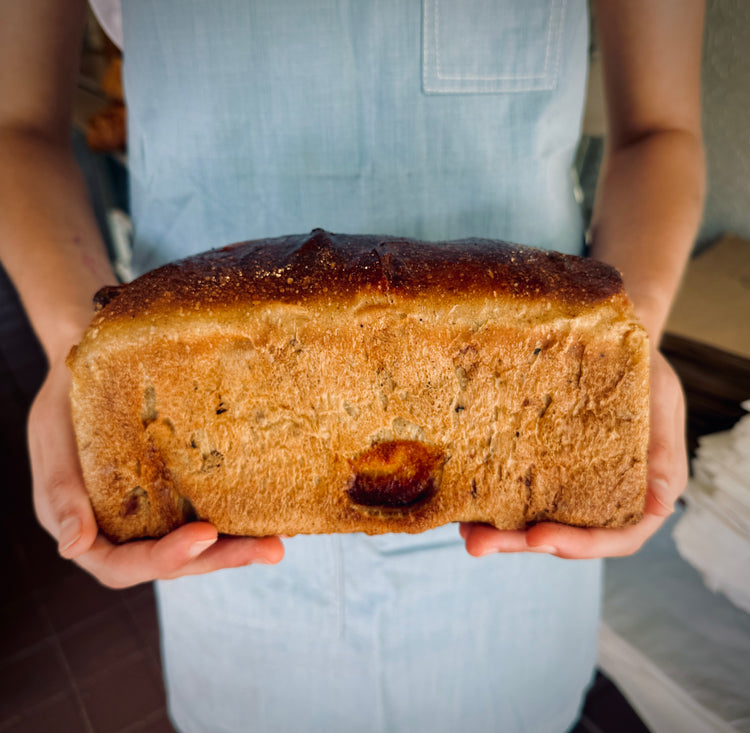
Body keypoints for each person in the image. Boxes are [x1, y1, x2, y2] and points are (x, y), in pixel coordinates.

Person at [0, 1, 705, 731]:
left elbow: (660, 132)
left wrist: (632, 340)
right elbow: (19, 128)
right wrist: (71, 350)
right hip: (204, 487)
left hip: (525, 500)